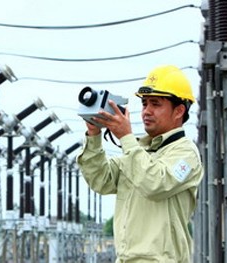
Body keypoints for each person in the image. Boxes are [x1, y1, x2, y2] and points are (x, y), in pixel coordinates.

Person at [76, 65, 203, 262]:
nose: (147, 111)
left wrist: (126, 137)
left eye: (155, 104)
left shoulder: (186, 154)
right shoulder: (138, 151)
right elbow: (101, 180)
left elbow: (154, 184)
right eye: (144, 104)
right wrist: (94, 135)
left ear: (178, 111)